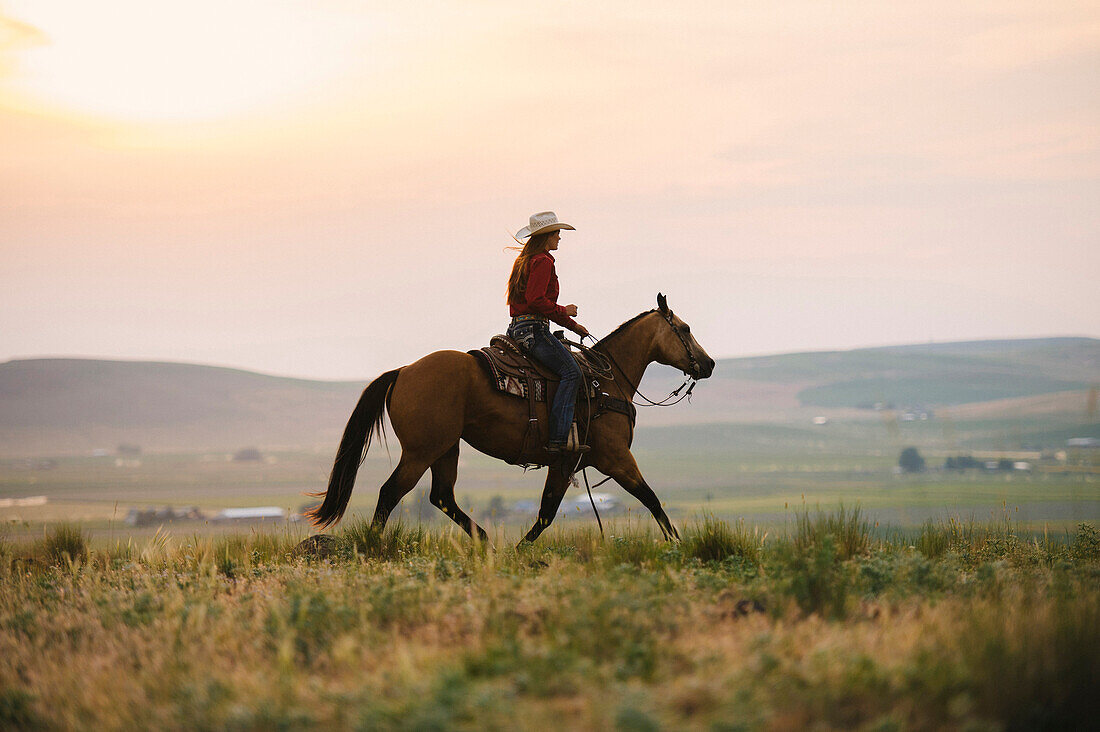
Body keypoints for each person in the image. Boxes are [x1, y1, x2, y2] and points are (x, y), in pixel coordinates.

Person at [506, 211, 591, 454]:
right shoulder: (543, 261)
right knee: (572, 373)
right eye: (556, 233)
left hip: (517, 328)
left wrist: (569, 324)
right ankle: (559, 438)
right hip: (534, 329)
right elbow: (536, 300)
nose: (559, 238)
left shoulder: (523, 260)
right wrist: (568, 314)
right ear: (546, 236)